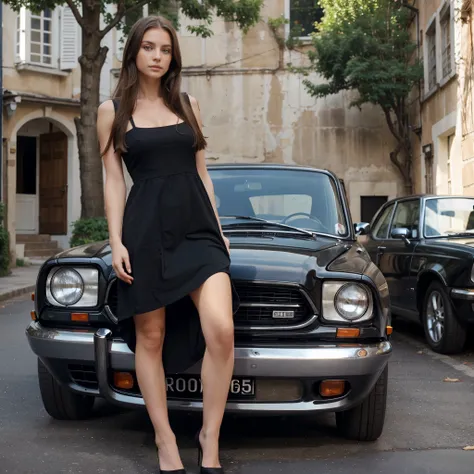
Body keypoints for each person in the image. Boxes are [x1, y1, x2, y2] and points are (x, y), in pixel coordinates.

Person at [96, 15, 239, 474]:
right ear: (134, 53)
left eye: (165, 49)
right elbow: (114, 180)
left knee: (221, 329)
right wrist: (116, 239)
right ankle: (164, 440)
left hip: (197, 230)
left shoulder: (187, 103)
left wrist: (219, 230)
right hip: (145, 232)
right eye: (149, 48)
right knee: (150, 336)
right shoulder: (111, 111)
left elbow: (202, 174)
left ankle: (209, 437)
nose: (158, 57)